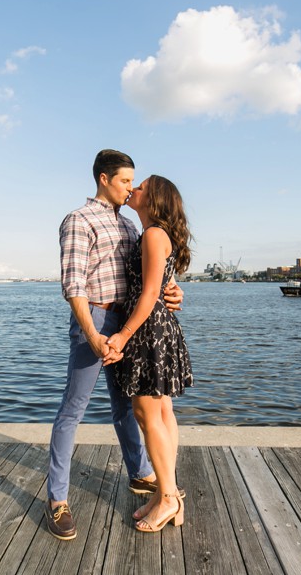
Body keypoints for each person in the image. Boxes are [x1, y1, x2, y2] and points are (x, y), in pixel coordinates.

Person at [45, 150, 183, 541]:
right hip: (98, 320)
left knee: (125, 406)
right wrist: (93, 335)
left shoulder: (129, 228)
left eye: (133, 183)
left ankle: (141, 472)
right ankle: (57, 499)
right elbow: (73, 286)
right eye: (125, 181)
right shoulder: (78, 220)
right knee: (74, 408)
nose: (130, 188)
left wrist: (174, 291)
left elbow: (150, 278)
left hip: (129, 325)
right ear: (104, 179)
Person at [106, 174, 193, 533]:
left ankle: (169, 497)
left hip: (148, 330)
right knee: (162, 411)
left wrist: (123, 336)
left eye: (140, 187)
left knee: (147, 412)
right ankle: (165, 492)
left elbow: (149, 293)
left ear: (153, 199)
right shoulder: (155, 235)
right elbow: (165, 287)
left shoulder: (154, 235)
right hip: (157, 327)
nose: (133, 190)